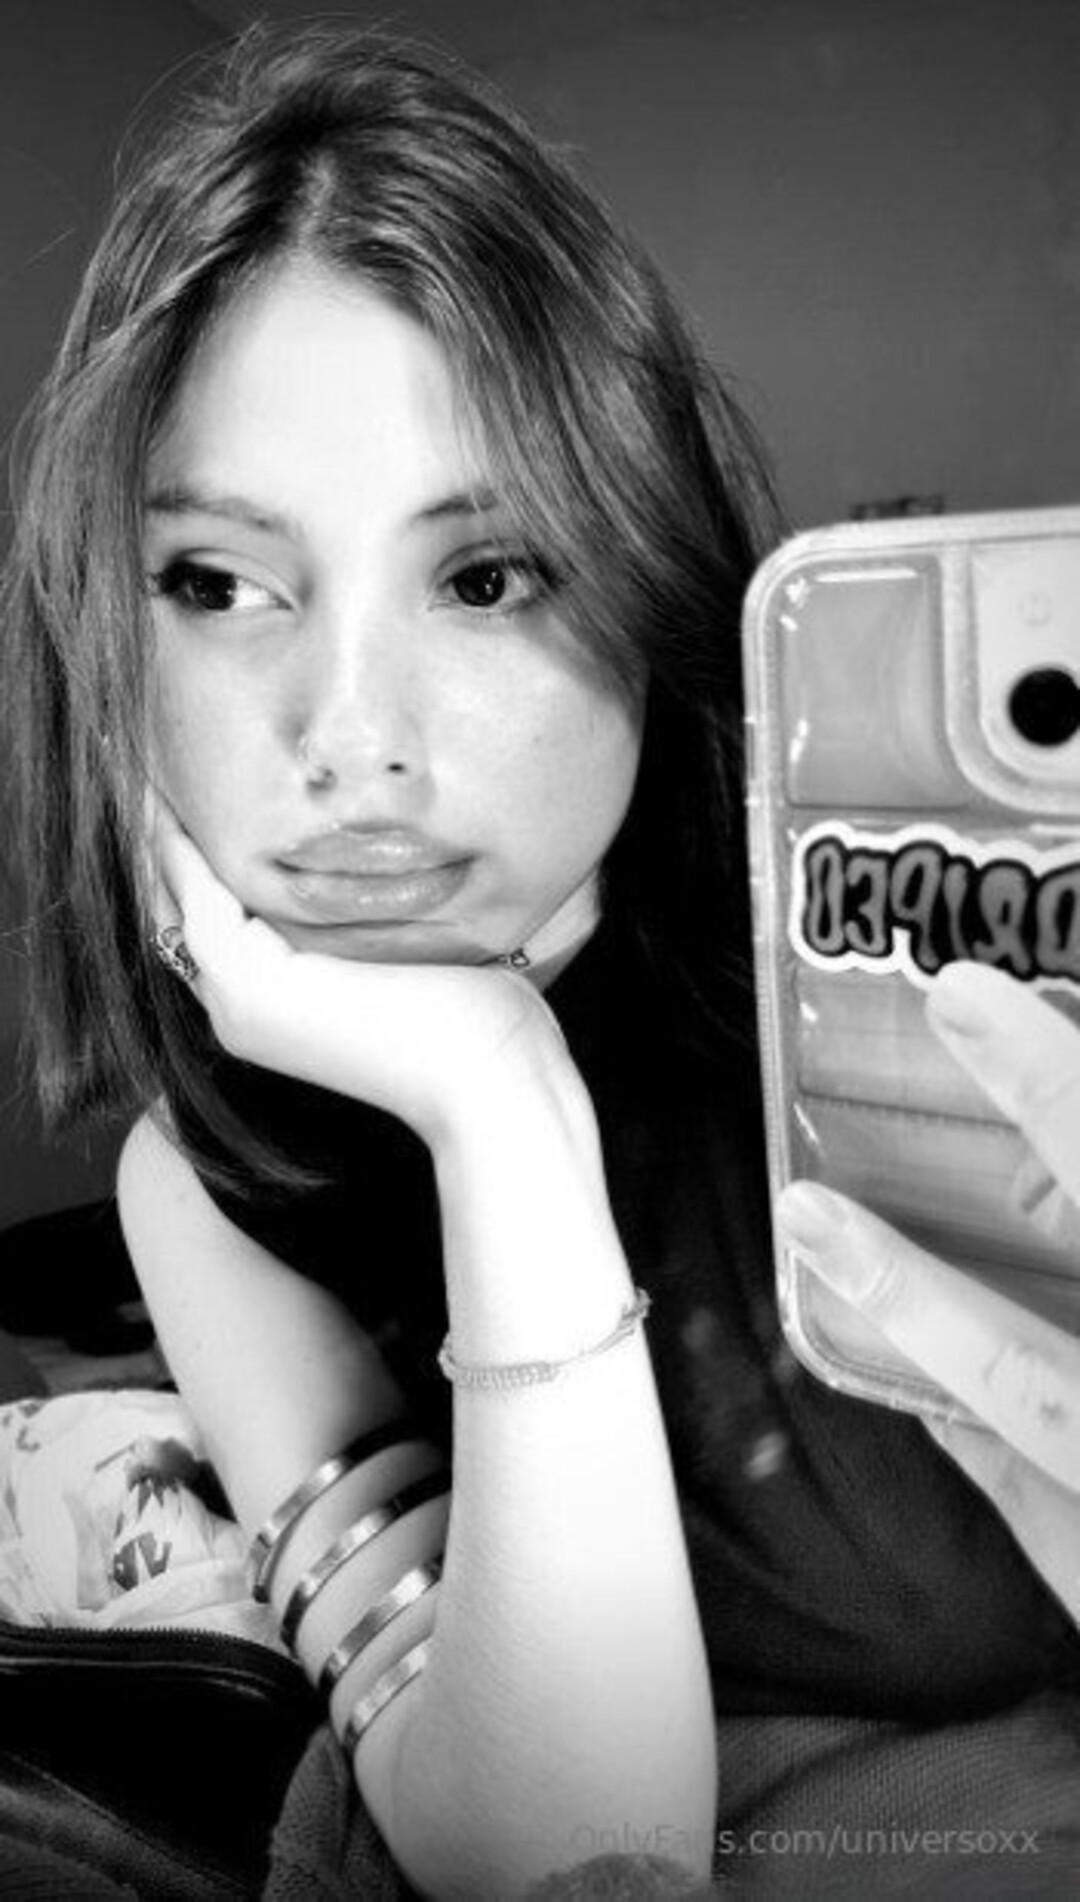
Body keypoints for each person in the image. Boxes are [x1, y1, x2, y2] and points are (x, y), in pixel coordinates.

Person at [2, 21, 1078, 1899]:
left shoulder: (931, 960)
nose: (352, 740)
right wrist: (498, 1106)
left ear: (645, 577)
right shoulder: (214, 1179)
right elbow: (580, 1853)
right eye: (220, 583)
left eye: (485, 576)